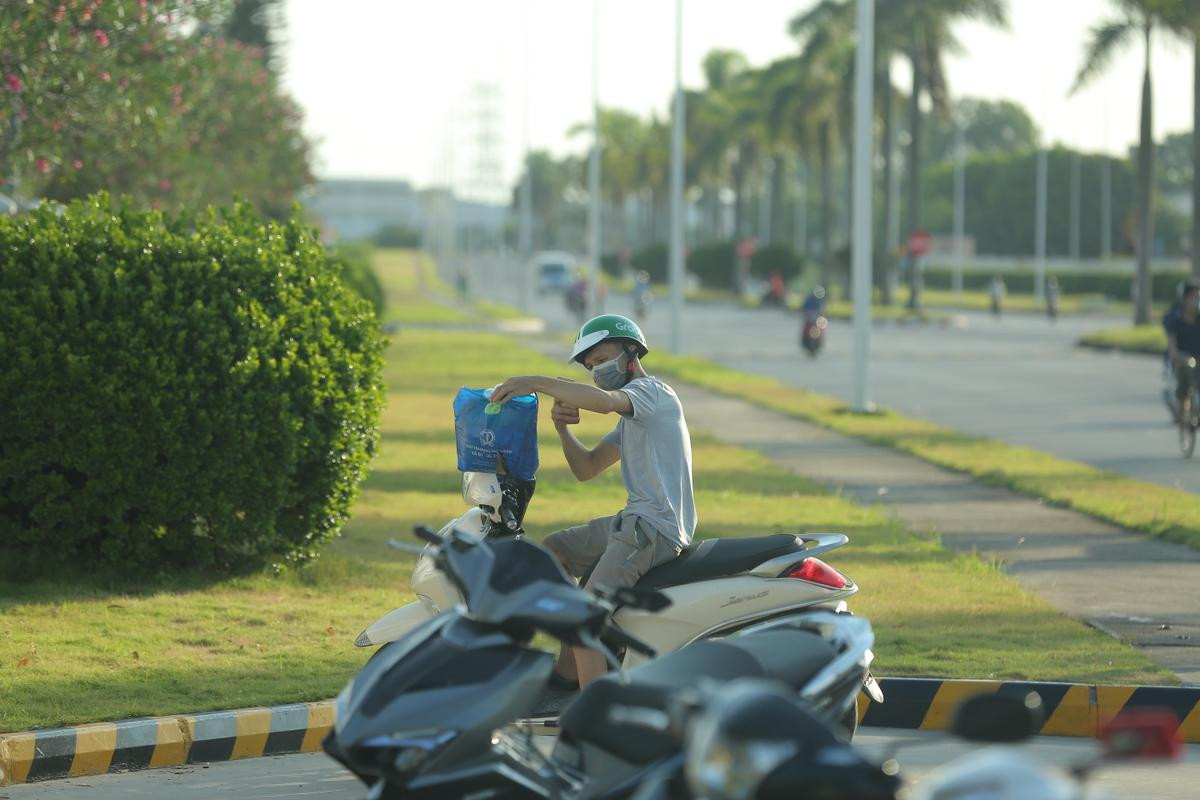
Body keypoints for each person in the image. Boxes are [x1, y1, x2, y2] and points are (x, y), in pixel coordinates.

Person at [491, 314, 695, 710]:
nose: (596, 371)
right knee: (550, 550)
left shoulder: (655, 394)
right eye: (589, 367)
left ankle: (595, 714)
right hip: (632, 522)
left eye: (600, 359)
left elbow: (602, 402)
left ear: (631, 351)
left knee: (582, 617)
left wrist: (534, 383)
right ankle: (584, 653)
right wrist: (564, 431)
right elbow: (586, 469)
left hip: (656, 529)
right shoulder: (632, 417)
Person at [1167, 280, 1200, 419]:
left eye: (1197, 297)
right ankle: (1181, 406)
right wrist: (1178, 356)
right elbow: (1172, 346)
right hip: (1182, 359)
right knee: (1185, 375)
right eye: (1192, 297)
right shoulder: (1176, 320)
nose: (1195, 300)